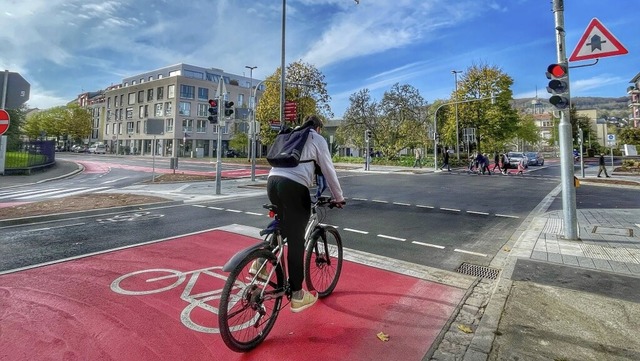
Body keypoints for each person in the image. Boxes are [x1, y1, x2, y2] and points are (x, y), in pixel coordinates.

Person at [265, 114, 345, 313]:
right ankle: (298, 294)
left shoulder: (292, 133)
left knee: (283, 223)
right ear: (318, 127)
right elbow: (328, 169)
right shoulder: (316, 138)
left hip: (272, 182)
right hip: (293, 187)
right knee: (296, 239)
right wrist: (339, 197)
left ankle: (259, 260)